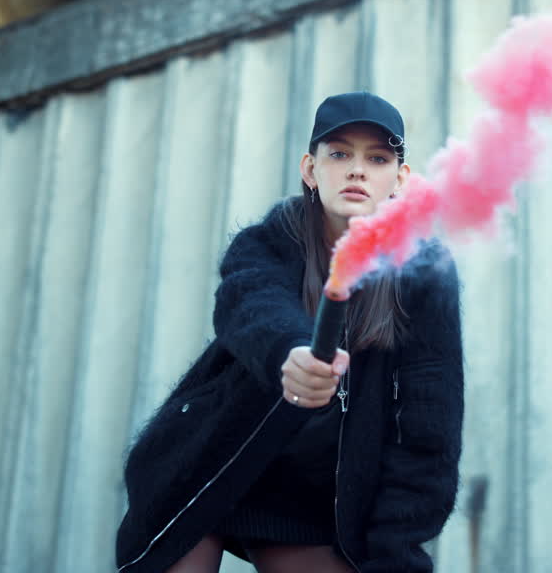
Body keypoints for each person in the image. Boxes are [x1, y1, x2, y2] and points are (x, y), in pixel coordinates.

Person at [115, 91, 464, 572]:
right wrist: (291, 353)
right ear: (310, 169)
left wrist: (396, 556)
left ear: (401, 178)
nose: (357, 170)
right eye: (339, 153)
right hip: (206, 468)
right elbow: (250, 302)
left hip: (308, 505)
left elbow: (430, 432)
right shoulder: (267, 241)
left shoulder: (424, 276)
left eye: (377, 158)